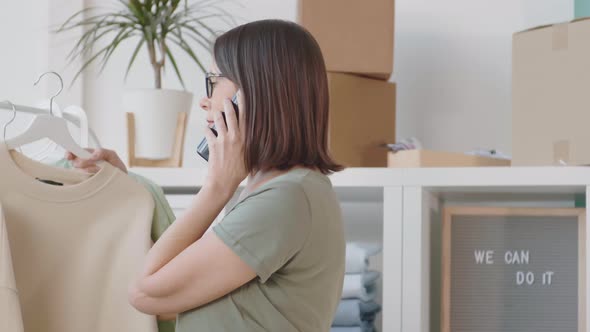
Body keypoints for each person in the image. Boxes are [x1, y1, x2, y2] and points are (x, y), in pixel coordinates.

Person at [67, 19, 345, 331]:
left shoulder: (285, 199)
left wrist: (216, 187)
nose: (205, 100)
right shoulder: (285, 191)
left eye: (213, 81)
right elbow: (185, 284)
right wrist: (128, 187)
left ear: (254, 93)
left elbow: (146, 294)